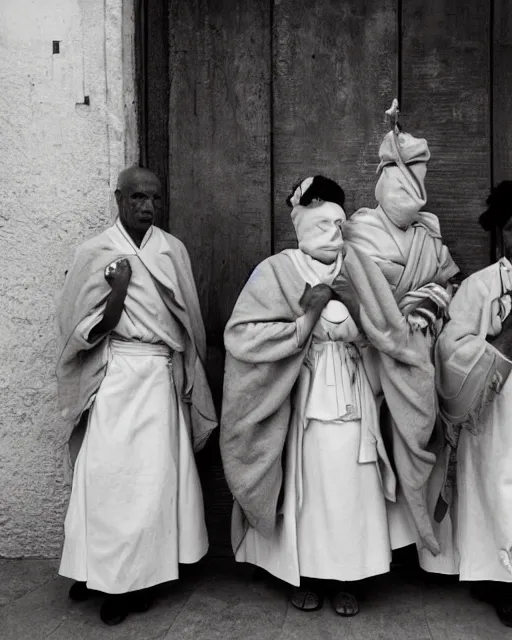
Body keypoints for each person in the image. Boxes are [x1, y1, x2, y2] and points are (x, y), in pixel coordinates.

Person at [220, 175, 396, 616]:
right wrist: (307, 316)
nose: (333, 233)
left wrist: (357, 311)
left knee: (352, 486)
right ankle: (309, 574)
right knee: (310, 487)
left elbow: (389, 333)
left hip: (354, 394)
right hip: (304, 398)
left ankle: (350, 576)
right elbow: (242, 335)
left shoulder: (360, 268)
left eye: (339, 224)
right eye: (323, 224)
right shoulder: (277, 270)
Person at [56, 166, 217, 625]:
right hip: (115, 371)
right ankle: (94, 570)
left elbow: (188, 324)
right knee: (105, 478)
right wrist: (118, 291)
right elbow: (80, 329)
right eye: (137, 197)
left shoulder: (172, 251)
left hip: (158, 375)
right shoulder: (95, 252)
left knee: (151, 481)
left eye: (154, 198)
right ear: (118, 198)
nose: (146, 206)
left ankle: (139, 579)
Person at [342, 107, 460, 560]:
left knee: (416, 440)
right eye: (402, 174)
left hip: (419, 353)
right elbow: (347, 286)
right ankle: (370, 555)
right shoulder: (356, 229)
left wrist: (427, 299)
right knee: (371, 457)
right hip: (367, 358)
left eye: (418, 176)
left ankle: (414, 551)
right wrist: (387, 314)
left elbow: (448, 282)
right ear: (384, 176)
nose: (409, 187)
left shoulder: (430, 236)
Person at [432, 180, 512, 627]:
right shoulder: (482, 287)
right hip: (497, 407)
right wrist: (499, 341)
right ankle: (503, 579)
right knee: (500, 483)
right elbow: (449, 349)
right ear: (502, 232)